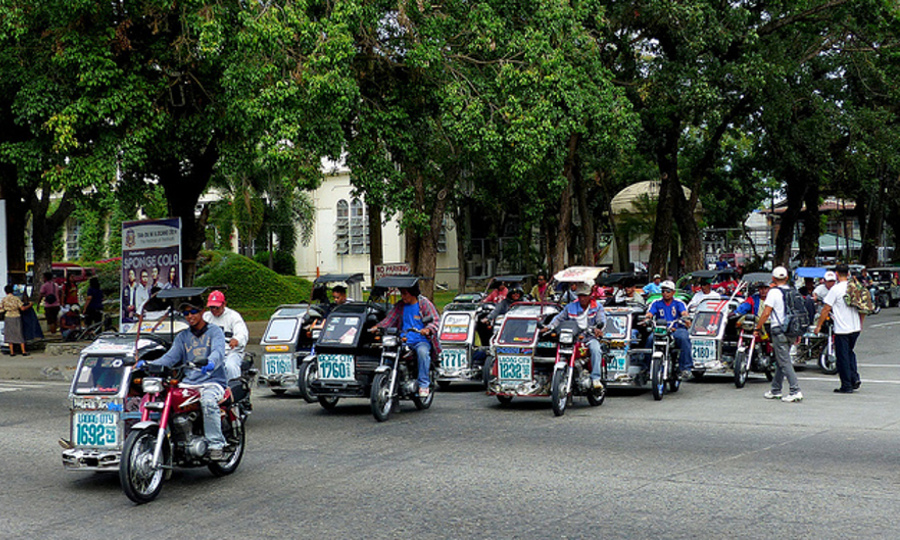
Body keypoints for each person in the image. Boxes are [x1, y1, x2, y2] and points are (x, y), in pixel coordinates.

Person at [140, 296, 228, 460]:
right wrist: (147, 363)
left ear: (202, 311)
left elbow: (218, 351)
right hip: (188, 383)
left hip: (212, 382)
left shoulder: (215, 332)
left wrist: (210, 362)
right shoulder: (182, 337)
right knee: (164, 400)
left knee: (208, 402)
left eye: (193, 311)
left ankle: (216, 445)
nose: (190, 316)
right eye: (186, 313)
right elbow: (170, 357)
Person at [372, 283, 441, 397]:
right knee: (389, 353)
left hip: (421, 340)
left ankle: (424, 384)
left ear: (413, 293)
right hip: (404, 340)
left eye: (405, 293)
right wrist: (378, 327)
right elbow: (390, 320)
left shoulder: (424, 303)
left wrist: (428, 329)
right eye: (401, 293)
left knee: (422, 353)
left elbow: (436, 321)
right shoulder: (400, 305)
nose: (402, 296)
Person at [542, 283, 607, 389]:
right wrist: (548, 327)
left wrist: (598, 329)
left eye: (585, 295)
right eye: (580, 295)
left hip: (589, 337)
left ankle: (596, 378)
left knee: (596, 350)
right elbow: (559, 318)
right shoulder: (570, 306)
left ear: (590, 295)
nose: (582, 298)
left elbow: (601, 320)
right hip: (572, 338)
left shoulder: (597, 307)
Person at [754, 266, 803, 402]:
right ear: (787, 278)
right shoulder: (793, 291)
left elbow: (766, 312)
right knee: (781, 359)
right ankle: (776, 389)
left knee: (784, 361)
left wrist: (757, 328)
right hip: (792, 330)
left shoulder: (773, 292)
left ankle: (795, 390)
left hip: (779, 329)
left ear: (773, 278)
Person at [816, 264, 863, 394]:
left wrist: (819, 325)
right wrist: (861, 323)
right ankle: (854, 378)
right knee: (850, 353)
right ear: (848, 274)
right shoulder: (855, 287)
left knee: (842, 357)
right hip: (855, 327)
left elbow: (826, 309)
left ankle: (846, 385)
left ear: (837, 274)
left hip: (842, 328)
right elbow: (864, 307)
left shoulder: (835, 290)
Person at [645, 280, 693, 379]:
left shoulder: (679, 303)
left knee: (684, 338)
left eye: (668, 291)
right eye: (663, 291)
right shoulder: (656, 303)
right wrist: (647, 318)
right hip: (660, 330)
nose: (665, 293)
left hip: (676, 329)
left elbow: (684, 313)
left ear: (673, 292)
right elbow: (649, 313)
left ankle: (685, 368)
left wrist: (686, 319)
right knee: (650, 340)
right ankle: (647, 367)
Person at [203, 290, 249, 381]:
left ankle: (234, 389)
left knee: (230, 366)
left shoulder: (233, 316)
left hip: (231, 352)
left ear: (224, 304)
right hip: (211, 352)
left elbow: (242, 332)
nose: (214, 310)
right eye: (211, 307)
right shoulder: (206, 317)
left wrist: (236, 339)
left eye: (217, 307)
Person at [2, 285, 32, 356]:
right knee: (19, 333)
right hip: (16, 316)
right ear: (12, 291)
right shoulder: (16, 299)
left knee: (9, 334)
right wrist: (30, 305)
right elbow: (22, 308)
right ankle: (23, 351)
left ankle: (12, 352)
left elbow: (1, 308)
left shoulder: (4, 299)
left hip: (8, 316)